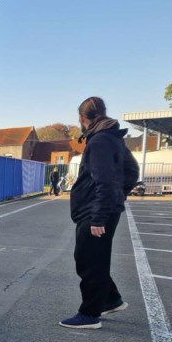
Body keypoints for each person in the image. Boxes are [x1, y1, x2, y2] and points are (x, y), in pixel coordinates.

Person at [60, 97, 139, 330]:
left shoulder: (100, 142)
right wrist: (118, 195)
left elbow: (103, 181)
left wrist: (99, 215)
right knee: (95, 259)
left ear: (83, 118)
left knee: (88, 261)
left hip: (95, 211)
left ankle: (89, 314)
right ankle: (110, 299)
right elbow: (132, 171)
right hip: (102, 208)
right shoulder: (113, 139)